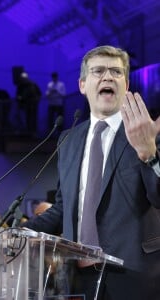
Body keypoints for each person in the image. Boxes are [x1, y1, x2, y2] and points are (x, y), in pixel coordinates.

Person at [19, 45, 160, 299]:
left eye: (116, 72)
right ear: (83, 85)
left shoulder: (148, 132)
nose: (107, 77)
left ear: (126, 85)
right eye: (98, 71)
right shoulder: (68, 139)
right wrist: (18, 233)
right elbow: (63, 208)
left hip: (135, 277)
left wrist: (149, 154)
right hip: (79, 276)